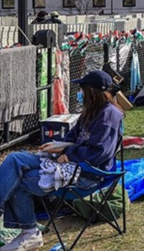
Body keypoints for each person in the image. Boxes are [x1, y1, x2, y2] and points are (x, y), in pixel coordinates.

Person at [0, 71, 122, 251]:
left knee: (20, 182)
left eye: (82, 89)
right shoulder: (91, 111)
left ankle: (30, 234)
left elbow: (99, 153)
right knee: (14, 158)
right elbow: (72, 136)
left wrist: (68, 152)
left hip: (88, 174)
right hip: (67, 163)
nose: (79, 93)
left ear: (91, 91)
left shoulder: (109, 115)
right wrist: (55, 146)